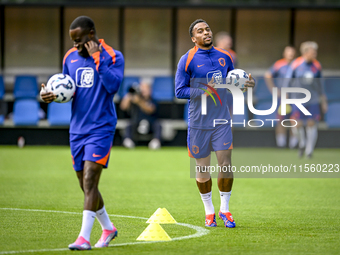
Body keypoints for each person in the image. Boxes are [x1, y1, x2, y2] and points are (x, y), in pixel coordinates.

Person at [40, 16, 124, 250]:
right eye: (73, 41)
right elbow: (69, 90)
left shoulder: (113, 55)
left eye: (78, 41)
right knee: (85, 184)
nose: (75, 46)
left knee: (90, 179)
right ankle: (108, 228)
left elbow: (113, 87)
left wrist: (98, 59)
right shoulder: (70, 57)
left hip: (101, 127)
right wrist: (51, 96)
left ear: (91, 34)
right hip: (77, 129)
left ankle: (84, 238)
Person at [175, 19, 255, 228]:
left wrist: (245, 84)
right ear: (194, 38)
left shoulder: (225, 56)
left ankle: (225, 210)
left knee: (226, 165)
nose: (206, 33)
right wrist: (204, 90)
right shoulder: (187, 59)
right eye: (200, 31)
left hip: (221, 119)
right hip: (199, 122)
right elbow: (179, 91)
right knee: (202, 168)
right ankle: (209, 211)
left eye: (207, 29)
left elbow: (231, 81)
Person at [285, 41, 327, 158]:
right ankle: (302, 143)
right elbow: (287, 81)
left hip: (313, 99)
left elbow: (321, 85)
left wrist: (323, 100)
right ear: (306, 52)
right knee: (297, 124)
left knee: (311, 123)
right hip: (298, 99)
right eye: (313, 52)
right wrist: (286, 97)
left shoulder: (317, 65)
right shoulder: (296, 64)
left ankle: (309, 150)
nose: (315, 54)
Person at [265, 46, 297, 148]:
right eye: (288, 52)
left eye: (292, 52)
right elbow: (268, 75)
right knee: (281, 119)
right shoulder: (279, 64)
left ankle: (294, 143)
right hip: (282, 97)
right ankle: (281, 144)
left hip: (296, 97)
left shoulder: (298, 64)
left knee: (294, 119)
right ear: (284, 54)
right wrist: (274, 90)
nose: (290, 55)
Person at [120, 79, 162, 150]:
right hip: (136, 122)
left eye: (146, 89)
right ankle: (128, 141)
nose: (144, 91)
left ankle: (156, 141)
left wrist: (139, 102)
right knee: (129, 125)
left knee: (158, 125)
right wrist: (129, 95)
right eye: (142, 89)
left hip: (150, 122)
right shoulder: (134, 98)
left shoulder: (153, 100)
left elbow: (150, 109)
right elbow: (123, 107)